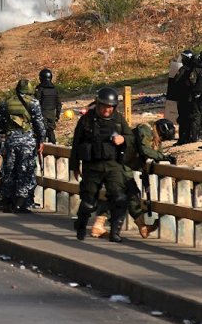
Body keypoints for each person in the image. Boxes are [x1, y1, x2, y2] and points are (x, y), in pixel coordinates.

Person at [70, 87, 135, 242]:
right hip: (92, 166)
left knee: (119, 198)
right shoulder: (86, 120)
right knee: (88, 201)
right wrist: (74, 165)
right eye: (105, 106)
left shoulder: (118, 120)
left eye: (111, 107)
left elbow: (131, 137)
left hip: (113, 165)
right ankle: (81, 225)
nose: (108, 110)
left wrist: (123, 139)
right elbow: (76, 143)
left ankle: (115, 232)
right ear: (99, 105)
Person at [0, 78, 46, 213]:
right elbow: (39, 124)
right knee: (25, 171)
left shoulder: (6, 102)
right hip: (27, 141)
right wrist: (41, 140)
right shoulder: (33, 103)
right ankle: (20, 202)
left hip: (11, 140)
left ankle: (7, 200)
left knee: (10, 170)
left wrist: (9, 126)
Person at [34, 68, 62, 144]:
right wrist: (57, 115)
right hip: (52, 114)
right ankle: (54, 148)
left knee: (41, 134)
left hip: (42, 114)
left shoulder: (39, 89)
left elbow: (36, 102)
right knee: (50, 131)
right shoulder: (54, 89)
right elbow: (58, 104)